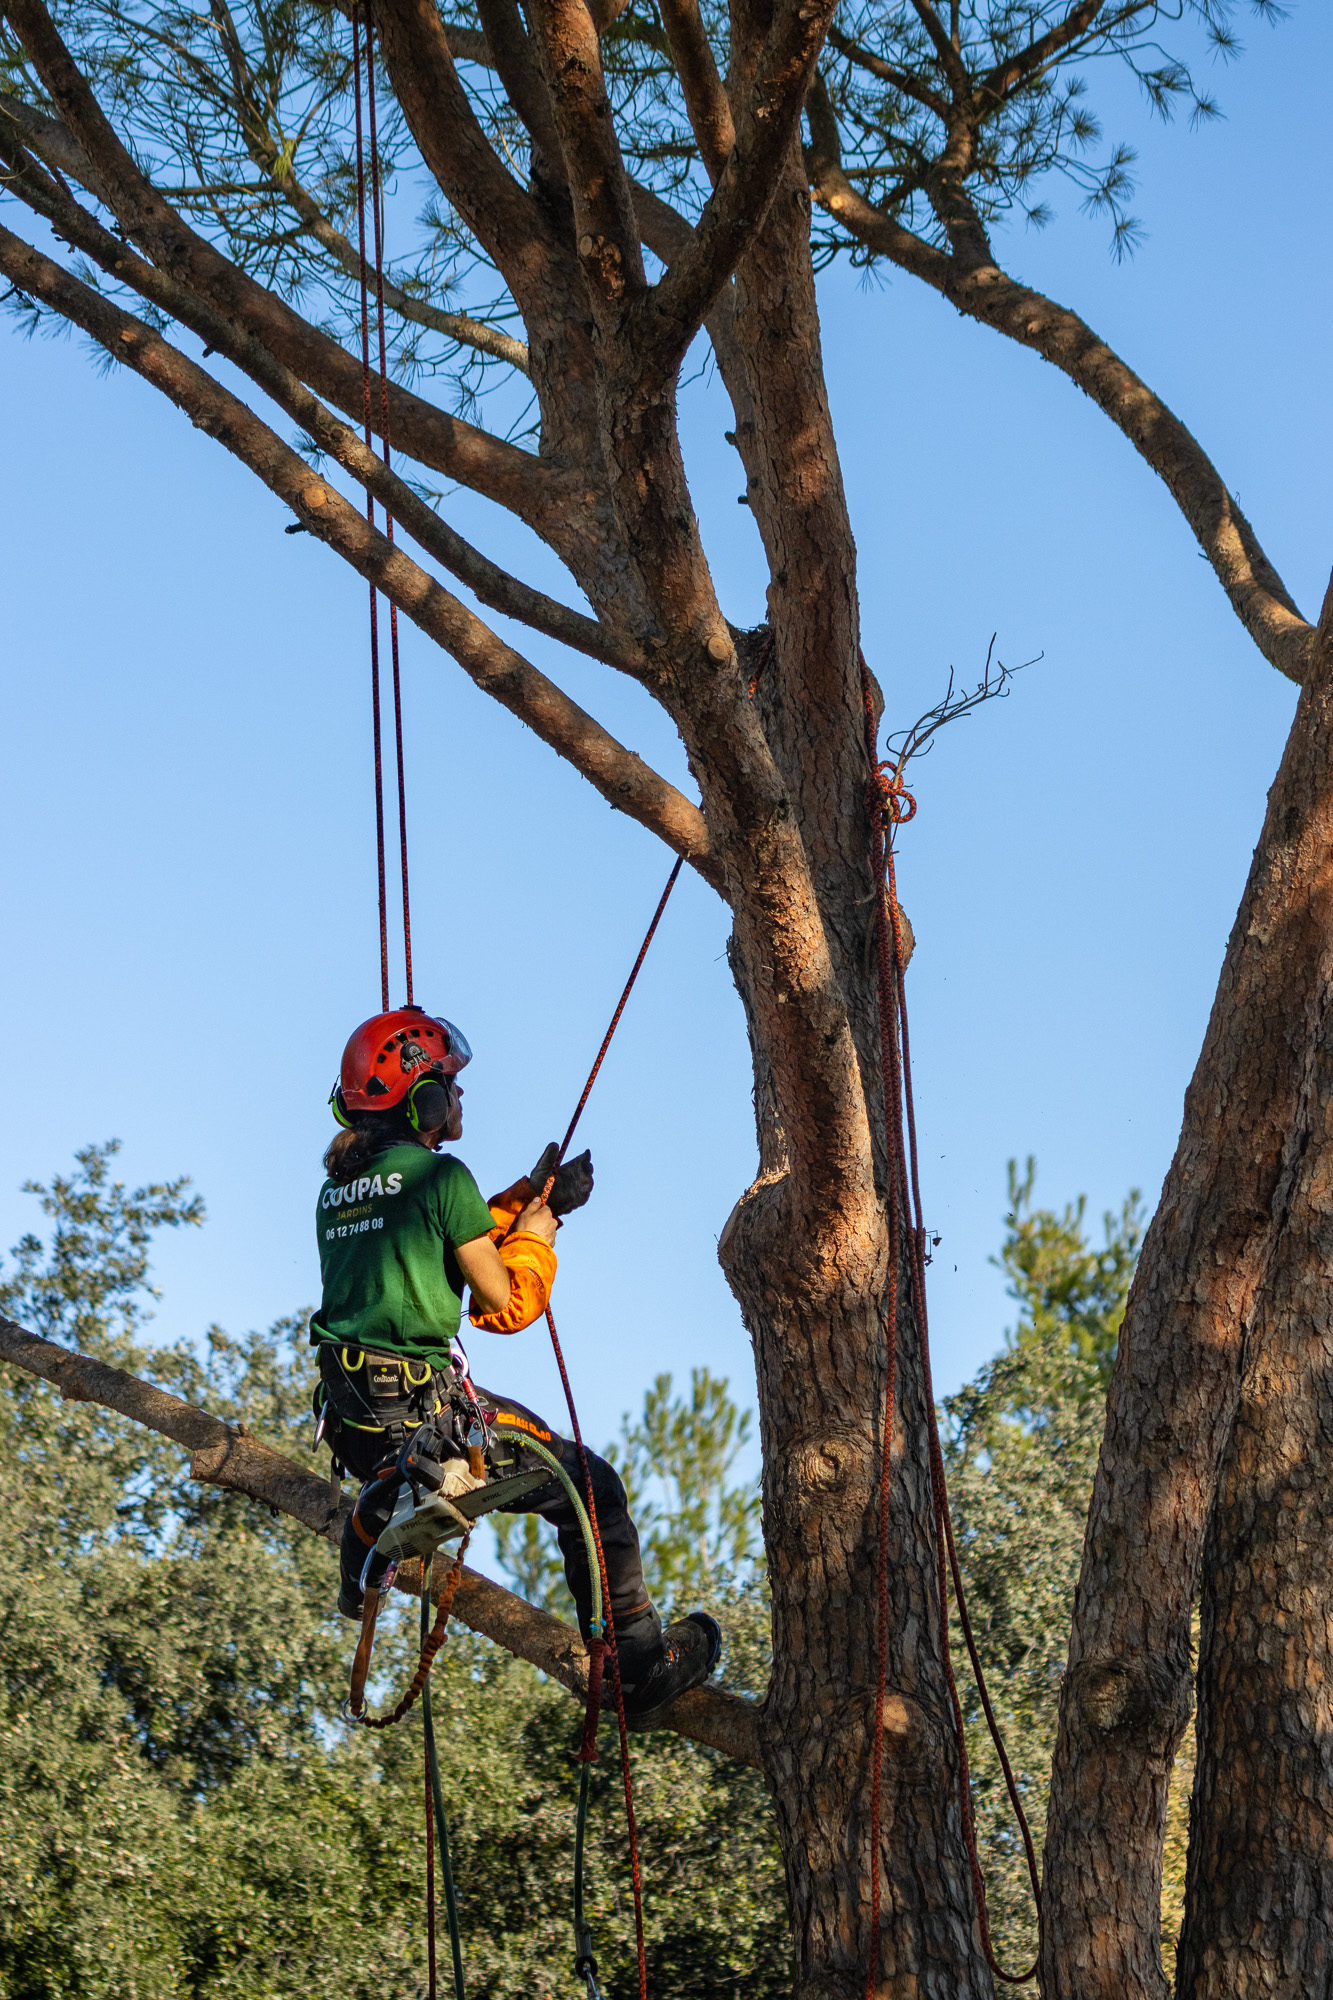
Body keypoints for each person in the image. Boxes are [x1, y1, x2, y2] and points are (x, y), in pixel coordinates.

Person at [309, 1004, 721, 1729]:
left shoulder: (339, 1188)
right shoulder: (441, 1178)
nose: (460, 1099)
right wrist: (539, 1230)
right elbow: (502, 1304)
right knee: (593, 1489)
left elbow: (431, 1230)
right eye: (450, 1086)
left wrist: (525, 1197)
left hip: (358, 1422)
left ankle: (369, 1529)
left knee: (550, 1467)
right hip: (423, 1420)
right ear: (424, 1101)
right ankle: (636, 1667)